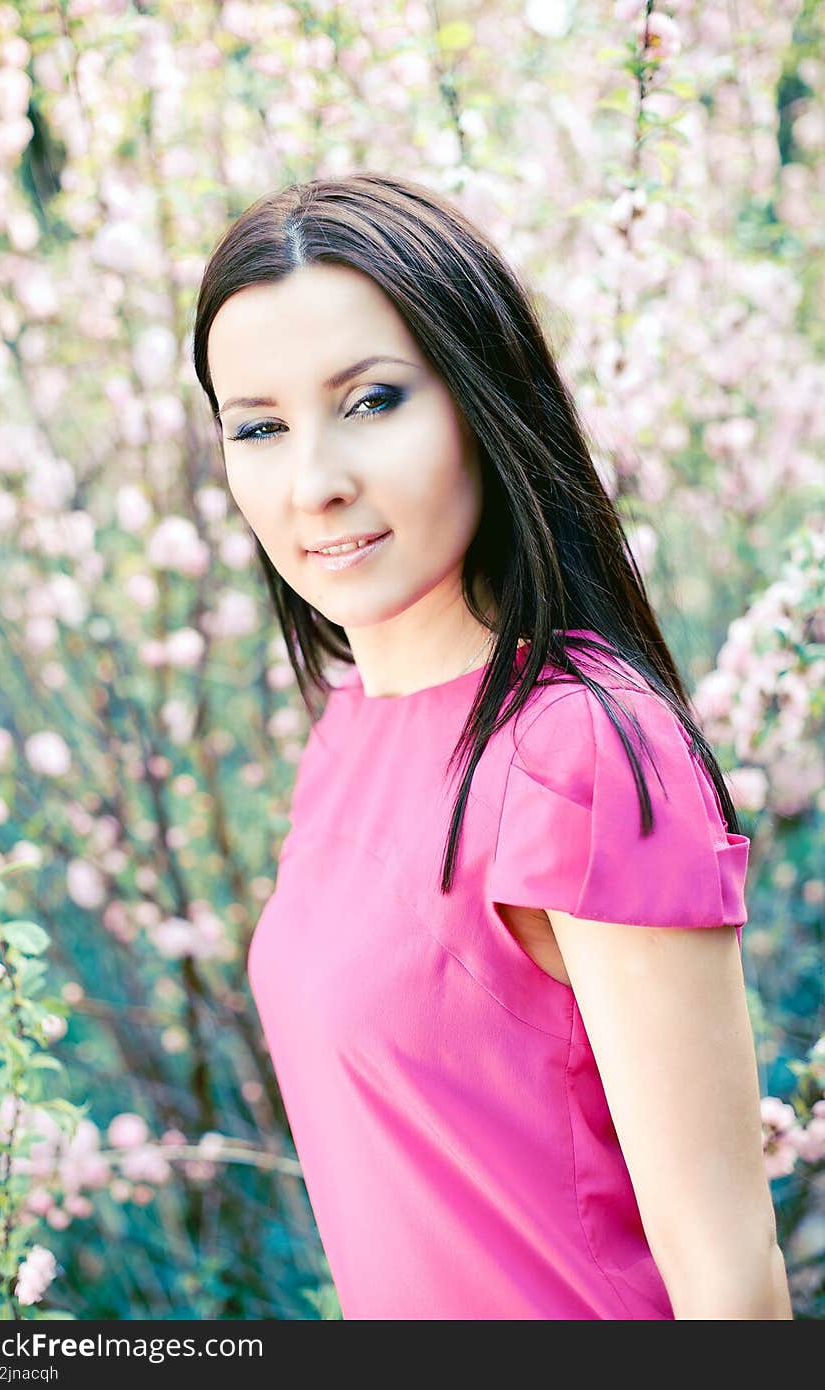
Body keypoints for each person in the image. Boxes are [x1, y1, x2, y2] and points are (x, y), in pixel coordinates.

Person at [192, 173, 793, 1320]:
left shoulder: (579, 748)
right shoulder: (347, 732)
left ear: (480, 397)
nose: (314, 482)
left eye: (371, 401)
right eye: (259, 426)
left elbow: (731, 1287)